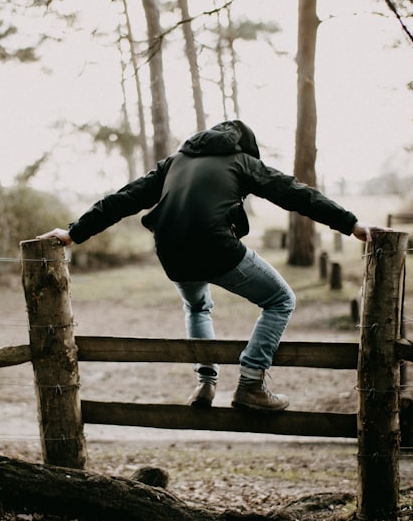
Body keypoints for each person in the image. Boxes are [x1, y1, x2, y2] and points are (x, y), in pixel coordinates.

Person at [37, 120, 377, 412]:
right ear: (245, 145)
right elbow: (295, 193)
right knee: (280, 300)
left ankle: (205, 384)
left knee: (197, 306)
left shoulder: (175, 161)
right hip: (215, 247)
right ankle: (251, 385)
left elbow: (124, 198)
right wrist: (351, 225)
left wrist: (73, 233)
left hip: (170, 251)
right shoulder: (242, 161)